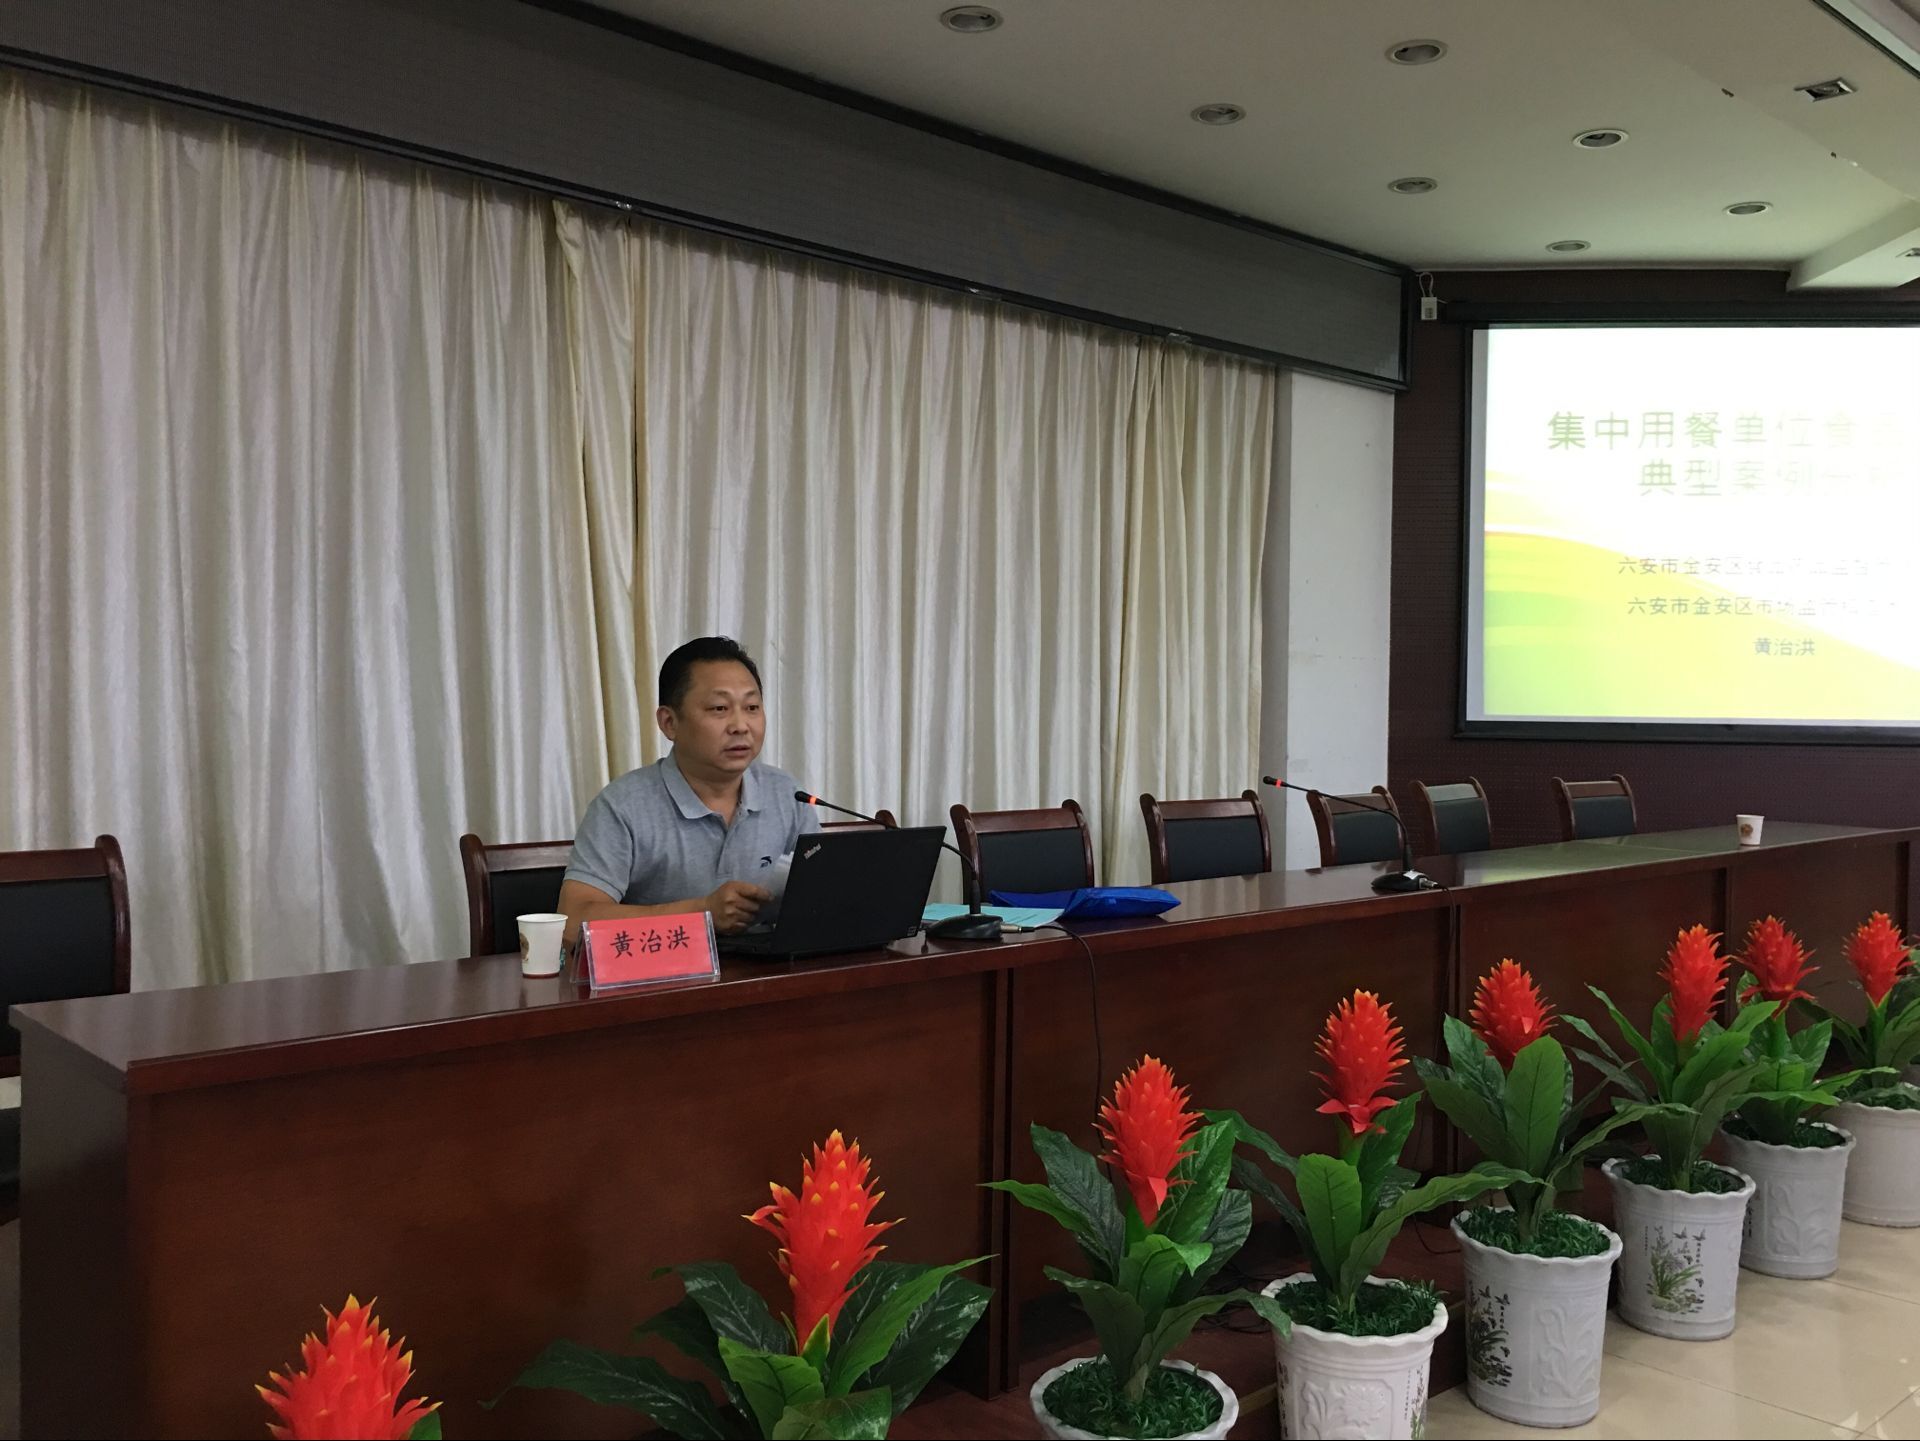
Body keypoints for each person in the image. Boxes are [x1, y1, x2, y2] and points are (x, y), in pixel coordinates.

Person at [557, 636, 818, 941]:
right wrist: (702, 913)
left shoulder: (787, 793)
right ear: (670, 723)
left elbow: (822, 895)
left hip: (769, 966)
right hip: (667, 968)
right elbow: (572, 921)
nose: (740, 725)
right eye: (719, 708)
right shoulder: (623, 805)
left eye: (751, 707)